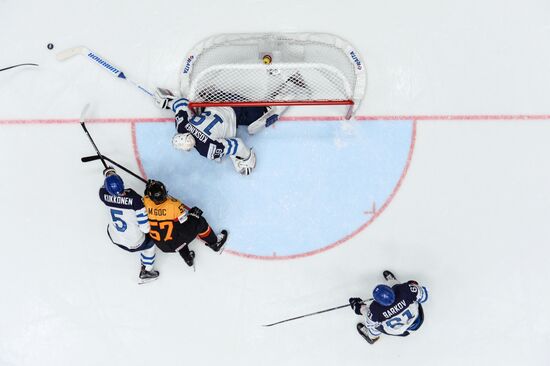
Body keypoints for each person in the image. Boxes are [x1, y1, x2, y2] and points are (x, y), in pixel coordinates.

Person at [153, 88, 287, 175]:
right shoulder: (181, 126)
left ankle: (289, 92)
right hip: (214, 97)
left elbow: (238, 145)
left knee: (257, 124)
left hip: (237, 107)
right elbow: (181, 103)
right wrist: (167, 103)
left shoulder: (207, 149)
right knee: (197, 107)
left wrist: (247, 158)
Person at [142, 179, 228, 267]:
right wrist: (193, 214)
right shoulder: (174, 205)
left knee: (173, 231)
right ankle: (215, 243)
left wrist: (148, 187)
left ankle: (188, 258)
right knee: (199, 222)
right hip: (175, 241)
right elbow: (184, 224)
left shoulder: (146, 201)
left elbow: (147, 195)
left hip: (161, 245)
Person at [99, 167, 159, 283]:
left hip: (115, 238)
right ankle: (146, 270)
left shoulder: (103, 195)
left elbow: (105, 187)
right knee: (150, 245)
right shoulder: (135, 200)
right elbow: (145, 229)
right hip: (134, 243)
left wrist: (109, 174)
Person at [349, 270, 428, 344]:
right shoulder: (404, 289)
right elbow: (424, 297)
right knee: (396, 284)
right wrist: (413, 286)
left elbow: (372, 327)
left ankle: (372, 338)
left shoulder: (375, 309)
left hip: (398, 332)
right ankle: (392, 281)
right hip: (417, 321)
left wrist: (358, 307)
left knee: (369, 318)